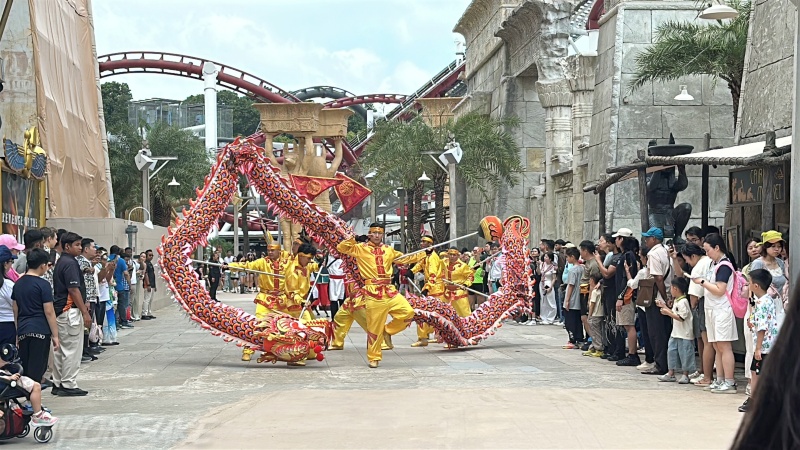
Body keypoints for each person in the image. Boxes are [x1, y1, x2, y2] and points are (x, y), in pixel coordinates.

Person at [335, 223, 419, 368]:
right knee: (374, 327)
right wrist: (354, 238)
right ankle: (374, 357)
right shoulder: (360, 248)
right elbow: (341, 248)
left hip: (389, 290)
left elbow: (405, 258)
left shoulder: (388, 250)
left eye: (379, 233)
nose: (376, 235)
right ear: (369, 234)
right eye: (373, 233)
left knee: (408, 313)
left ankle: (387, 331)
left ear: (382, 235)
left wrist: (425, 254)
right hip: (372, 291)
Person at [226, 243, 288, 361]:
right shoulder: (262, 262)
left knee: (287, 326)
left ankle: (287, 351)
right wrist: (231, 265)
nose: (270, 252)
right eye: (268, 250)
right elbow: (247, 266)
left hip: (282, 300)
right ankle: (248, 350)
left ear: (279, 251)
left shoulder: (287, 263)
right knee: (258, 324)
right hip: (265, 298)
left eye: (273, 250)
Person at [693, 233, 738, 393]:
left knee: (724, 346)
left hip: (722, 309)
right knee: (716, 345)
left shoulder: (725, 265)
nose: (706, 254)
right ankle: (720, 379)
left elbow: (720, 290)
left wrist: (702, 282)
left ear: (717, 247)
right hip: (712, 309)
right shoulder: (714, 264)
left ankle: (730, 381)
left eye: (707, 250)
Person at [50, 232, 91, 396]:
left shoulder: (62, 261)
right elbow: (73, 290)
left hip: (61, 311)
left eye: (81, 245)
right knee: (71, 350)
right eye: (77, 245)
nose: (80, 248)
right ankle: (68, 384)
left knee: (60, 350)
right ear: (67, 246)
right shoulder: (70, 263)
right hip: (69, 311)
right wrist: (85, 313)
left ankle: (58, 382)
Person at [12, 249, 58, 387]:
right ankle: (34, 400)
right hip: (41, 329)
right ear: (43, 265)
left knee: (25, 367)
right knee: (38, 368)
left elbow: (15, 309)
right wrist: (55, 335)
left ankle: (28, 398)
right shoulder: (43, 284)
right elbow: (49, 311)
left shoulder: (18, 284)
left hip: (24, 330)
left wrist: (17, 331)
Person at [740, 269, 779, 413]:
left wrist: (757, 348)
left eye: (749, 283)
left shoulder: (762, 303)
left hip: (763, 346)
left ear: (756, 286)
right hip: (769, 343)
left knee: (756, 373)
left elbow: (762, 328)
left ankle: (754, 400)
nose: (748, 285)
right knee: (758, 372)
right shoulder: (768, 299)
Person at [680, 243, 714, 386]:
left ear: (693, 256)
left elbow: (694, 296)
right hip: (715, 303)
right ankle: (708, 374)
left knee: (707, 342)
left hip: (704, 304)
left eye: (687, 259)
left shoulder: (698, 267)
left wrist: (693, 307)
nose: (687, 262)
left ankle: (707, 376)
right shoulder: (711, 261)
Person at [642, 227, 672, 375]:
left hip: (658, 297)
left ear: (654, 239)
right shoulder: (666, 251)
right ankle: (666, 363)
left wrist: (664, 297)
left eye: (648, 238)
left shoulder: (653, 254)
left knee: (656, 332)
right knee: (665, 331)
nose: (646, 241)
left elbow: (658, 277)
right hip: (669, 293)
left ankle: (660, 364)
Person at [407, 235, 444, 347]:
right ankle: (424, 337)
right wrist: (411, 271)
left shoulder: (433, 257)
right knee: (427, 314)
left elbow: (433, 275)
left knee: (430, 314)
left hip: (435, 289)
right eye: (421, 241)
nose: (421, 243)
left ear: (430, 244)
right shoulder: (426, 255)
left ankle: (433, 336)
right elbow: (420, 265)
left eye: (424, 241)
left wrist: (427, 288)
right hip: (430, 287)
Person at [658, 276, 695, 384]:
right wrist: (665, 307)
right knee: (672, 352)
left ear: (675, 289)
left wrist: (667, 312)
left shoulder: (683, 302)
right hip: (676, 333)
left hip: (685, 333)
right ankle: (671, 373)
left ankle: (685, 374)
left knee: (685, 354)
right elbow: (675, 313)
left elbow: (681, 317)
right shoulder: (677, 301)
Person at [578, 241, 600, 349]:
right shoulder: (587, 262)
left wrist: (590, 297)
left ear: (585, 250)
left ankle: (594, 340)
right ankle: (592, 339)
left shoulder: (594, 263)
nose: (580, 253)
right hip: (583, 291)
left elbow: (592, 282)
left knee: (587, 317)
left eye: (581, 250)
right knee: (583, 317)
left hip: (588, 291)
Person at [562, 247, 584, 349]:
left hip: (573, 298)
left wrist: (567, 300)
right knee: (578, 321)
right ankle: (579, 338)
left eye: (567, 257)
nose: (566, 259)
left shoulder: (573, 270)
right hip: (580, 297)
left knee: (569, 321)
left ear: (572, 257)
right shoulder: (583, 268)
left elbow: (571, 285)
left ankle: (573, 339)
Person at [583, 273, 604, 357]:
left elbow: (592, 304)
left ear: (592, 280)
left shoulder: (595, 291)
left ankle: (598, 348)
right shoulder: (601, 291)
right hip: (600, 313)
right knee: (597, 332)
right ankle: (593, 347)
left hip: (595, 314)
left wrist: (589, 315)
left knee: (595, 333)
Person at [0, 246, 16, 348]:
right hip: (8, 325)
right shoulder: (7, 285)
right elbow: (16, 306)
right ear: (5, 264)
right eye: (11, 261)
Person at [538, 252, 557, 324]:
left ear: (550, 258)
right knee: (543, 300)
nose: (545, 258)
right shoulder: (542, 264)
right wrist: (538, 265)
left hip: (548, 283)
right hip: (542, 283)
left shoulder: (553, 266)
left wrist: (550, 287)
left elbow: (554, 278)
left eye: (546, 257)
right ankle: (544, 317)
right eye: (545, 257)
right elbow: (539, 273)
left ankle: (550, 318)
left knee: (550, 300)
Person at [141, 249, 157, 320]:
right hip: (148, 285)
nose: (151, 257)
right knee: (147, 299)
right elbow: (146, 274)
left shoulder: (150, 264)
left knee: (150, 299)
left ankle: (149, 313)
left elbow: (152, 275)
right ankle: (144, 313)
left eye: (152, 255)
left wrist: (154, 285)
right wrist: (148, 284)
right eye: (149, 255)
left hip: (152, 284)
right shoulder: (146, 264)